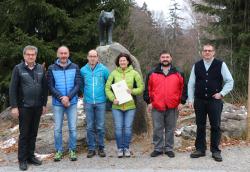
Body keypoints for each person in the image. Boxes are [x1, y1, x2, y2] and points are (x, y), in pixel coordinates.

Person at [188, 44, 234, 162]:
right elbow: (191, 84)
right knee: (200, 125)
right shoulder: (197, 65)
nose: (207, 52)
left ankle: (215, 150)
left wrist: (222, 93)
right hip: (199, 100)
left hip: (215, 101)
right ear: (202, 53)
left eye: (210, 50)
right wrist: (190, 99)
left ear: (214, 52)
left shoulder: (220, 64)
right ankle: (200, 149)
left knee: (215, 126)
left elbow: (230, 81)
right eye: (205, 50)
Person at [9, 45, 48, 171]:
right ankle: (22, 159)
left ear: (36, 56)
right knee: (24, 134)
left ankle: (31, 156)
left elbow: (45, 87)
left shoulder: (40, 68)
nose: (31, 56)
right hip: (24, 107)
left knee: (33, 133)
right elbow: (13, 89)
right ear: (24, 55)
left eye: (33, 54)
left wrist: (44, 104)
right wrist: (14, 106)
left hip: (37, 107)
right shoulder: (18, 69)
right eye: (28, 54)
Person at [143, 51, 186, 158]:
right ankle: (158, 148)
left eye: (167, 57)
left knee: (170, 128)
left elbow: (183, 89)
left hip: (173, 105)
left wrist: (182, 101)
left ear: (171, 59)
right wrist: (149, 102)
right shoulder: (152, 72)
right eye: (163, 57)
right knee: (157, 128)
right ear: (160, 59)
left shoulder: (178, 72)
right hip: (157, 105)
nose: (165, 59)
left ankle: (169, 148)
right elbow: (147, 89)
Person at [105, 53, 144, 158]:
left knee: (127, 128)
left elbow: (141, 87)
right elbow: (107, 88)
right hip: (117, 106)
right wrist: (113, 99)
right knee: (118, 128)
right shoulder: (113, 74)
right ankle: (119, 149)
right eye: (120, 60)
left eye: (124, 60)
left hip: (130, 106)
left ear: (128, 62)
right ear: (118, 62)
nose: (122, 62)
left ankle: (126, 148)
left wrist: (132, 91)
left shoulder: (134, 73)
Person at [47, 46, 81, 162]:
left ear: (68, 54)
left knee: (72, 128)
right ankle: (59, 151)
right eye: (61, 53)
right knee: (57, 129)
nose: (63, 55)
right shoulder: (51, 68)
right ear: (57, 54)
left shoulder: (75, 67)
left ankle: (72, 150)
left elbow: (78, 84)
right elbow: (50, 86)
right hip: (58, 103)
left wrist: (68, 97)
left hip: (72, 102)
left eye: (65, 53)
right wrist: (62, 98)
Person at [80, 49, 110, 158]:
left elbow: (109, 82)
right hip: (88, 102)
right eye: (90, 56)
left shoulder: (104, 70)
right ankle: (91, 148)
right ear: (87, 57)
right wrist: (85, 94)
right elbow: (81, 84)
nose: (92, 58)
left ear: (97, 58)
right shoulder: (83, 70)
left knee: (100, 126)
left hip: (101, 101)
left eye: (94, 56)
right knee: (89, 126)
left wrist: (106, 95)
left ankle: (101, 147)